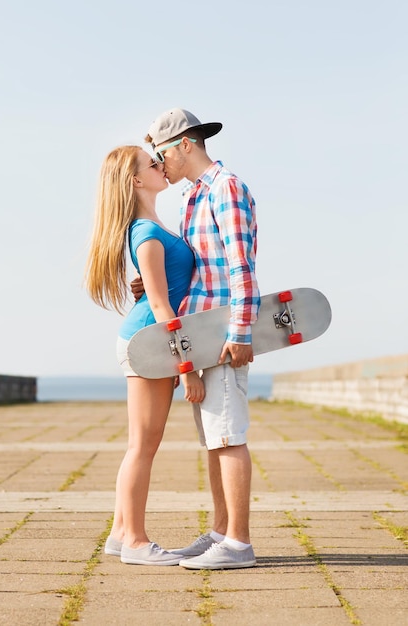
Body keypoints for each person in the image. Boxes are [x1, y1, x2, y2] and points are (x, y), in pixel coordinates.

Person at [135, 108, 260, 569]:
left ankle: (239, 544)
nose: (159, 161)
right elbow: (199, 269)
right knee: (214, 438)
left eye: (162, 153)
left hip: (225, 333)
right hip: (200, 332)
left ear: (185, 145)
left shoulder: (225, 188)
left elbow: (239, 265)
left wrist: (242, 331)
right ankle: (221, 533)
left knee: (227, 436)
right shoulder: (192, 198)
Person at [85, 145, 205, 566]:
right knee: (142, 446)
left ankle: (121, 534)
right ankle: (135, 541)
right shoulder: (147, 233)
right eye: (152, 164)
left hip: (151, 342)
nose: (161, 165)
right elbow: (160, 307)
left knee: (143, 444)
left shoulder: (152, 226)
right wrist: (186, 366)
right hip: (148, 343)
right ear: (136, 180)